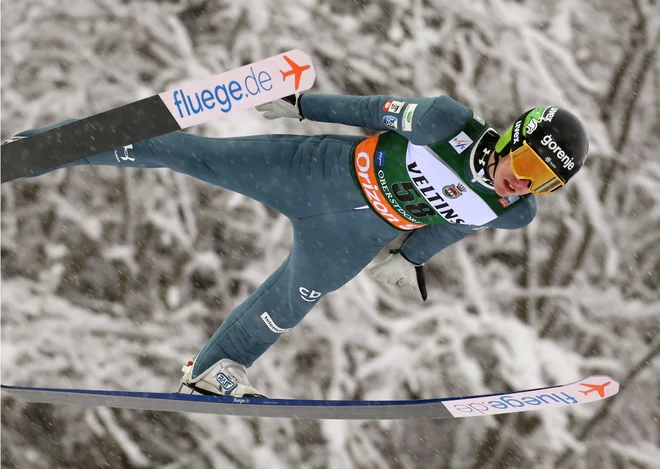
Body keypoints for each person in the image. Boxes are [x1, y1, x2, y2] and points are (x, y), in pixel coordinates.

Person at [11, 93, 589, 397]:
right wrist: (303, 107)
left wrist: (411, 257)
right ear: (514, 136)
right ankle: (37, 150)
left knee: (290, 304)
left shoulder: (512, 211)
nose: (522, 181)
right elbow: (373, 110)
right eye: (526, 163)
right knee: (190, 154)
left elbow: (459, 222)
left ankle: (214, 371)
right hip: (315, 171)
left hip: (353, 236)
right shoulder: (445, 122)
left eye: (542, 181)